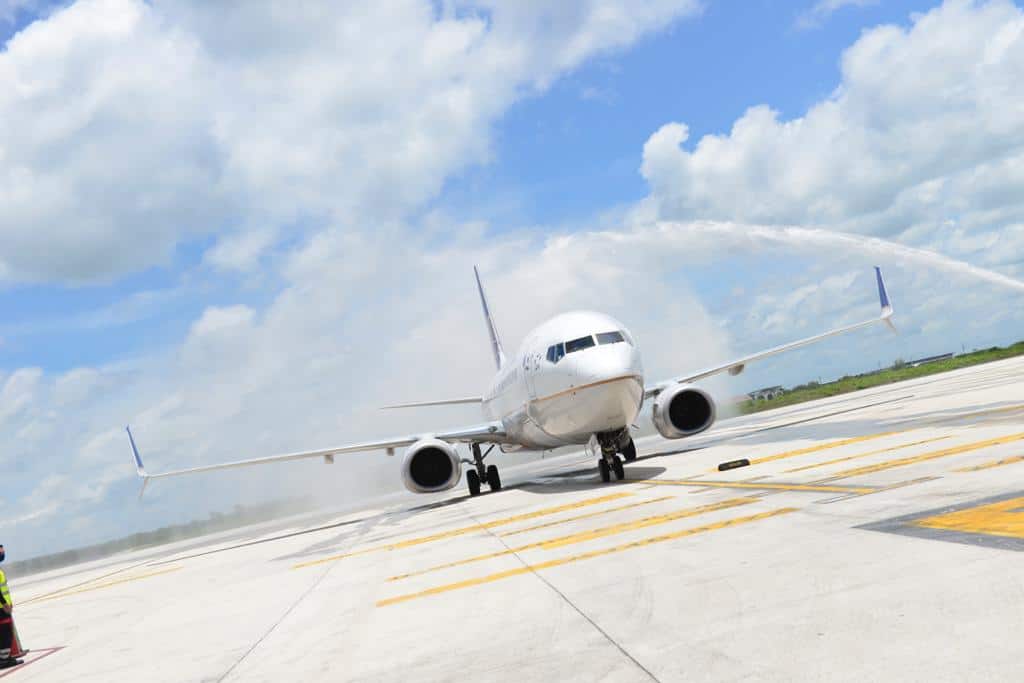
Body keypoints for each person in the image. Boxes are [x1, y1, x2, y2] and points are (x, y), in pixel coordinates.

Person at [0, 544, 17, 667]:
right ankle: (3, 660)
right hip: (1, 608)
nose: (3, 553)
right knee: (5, 633)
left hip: (3, 607)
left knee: (6, 633)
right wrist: (5, 604)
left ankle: (7, 657)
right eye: (1, 550)